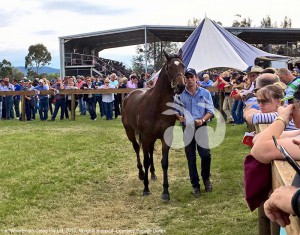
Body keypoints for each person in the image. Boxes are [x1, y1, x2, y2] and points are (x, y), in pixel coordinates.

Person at [176, 68, 215, 197]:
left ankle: (206, 179)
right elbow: (176, 110)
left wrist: (203, 119)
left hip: (201, 126)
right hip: (187, 128)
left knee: (205, 155)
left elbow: (210, 111)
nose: (189, 79)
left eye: (191, 77)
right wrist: (179, 117)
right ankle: (195, 185)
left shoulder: (204, 93)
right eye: (186, 77)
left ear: (196, 78)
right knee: (191, 157)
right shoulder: (180, 95)